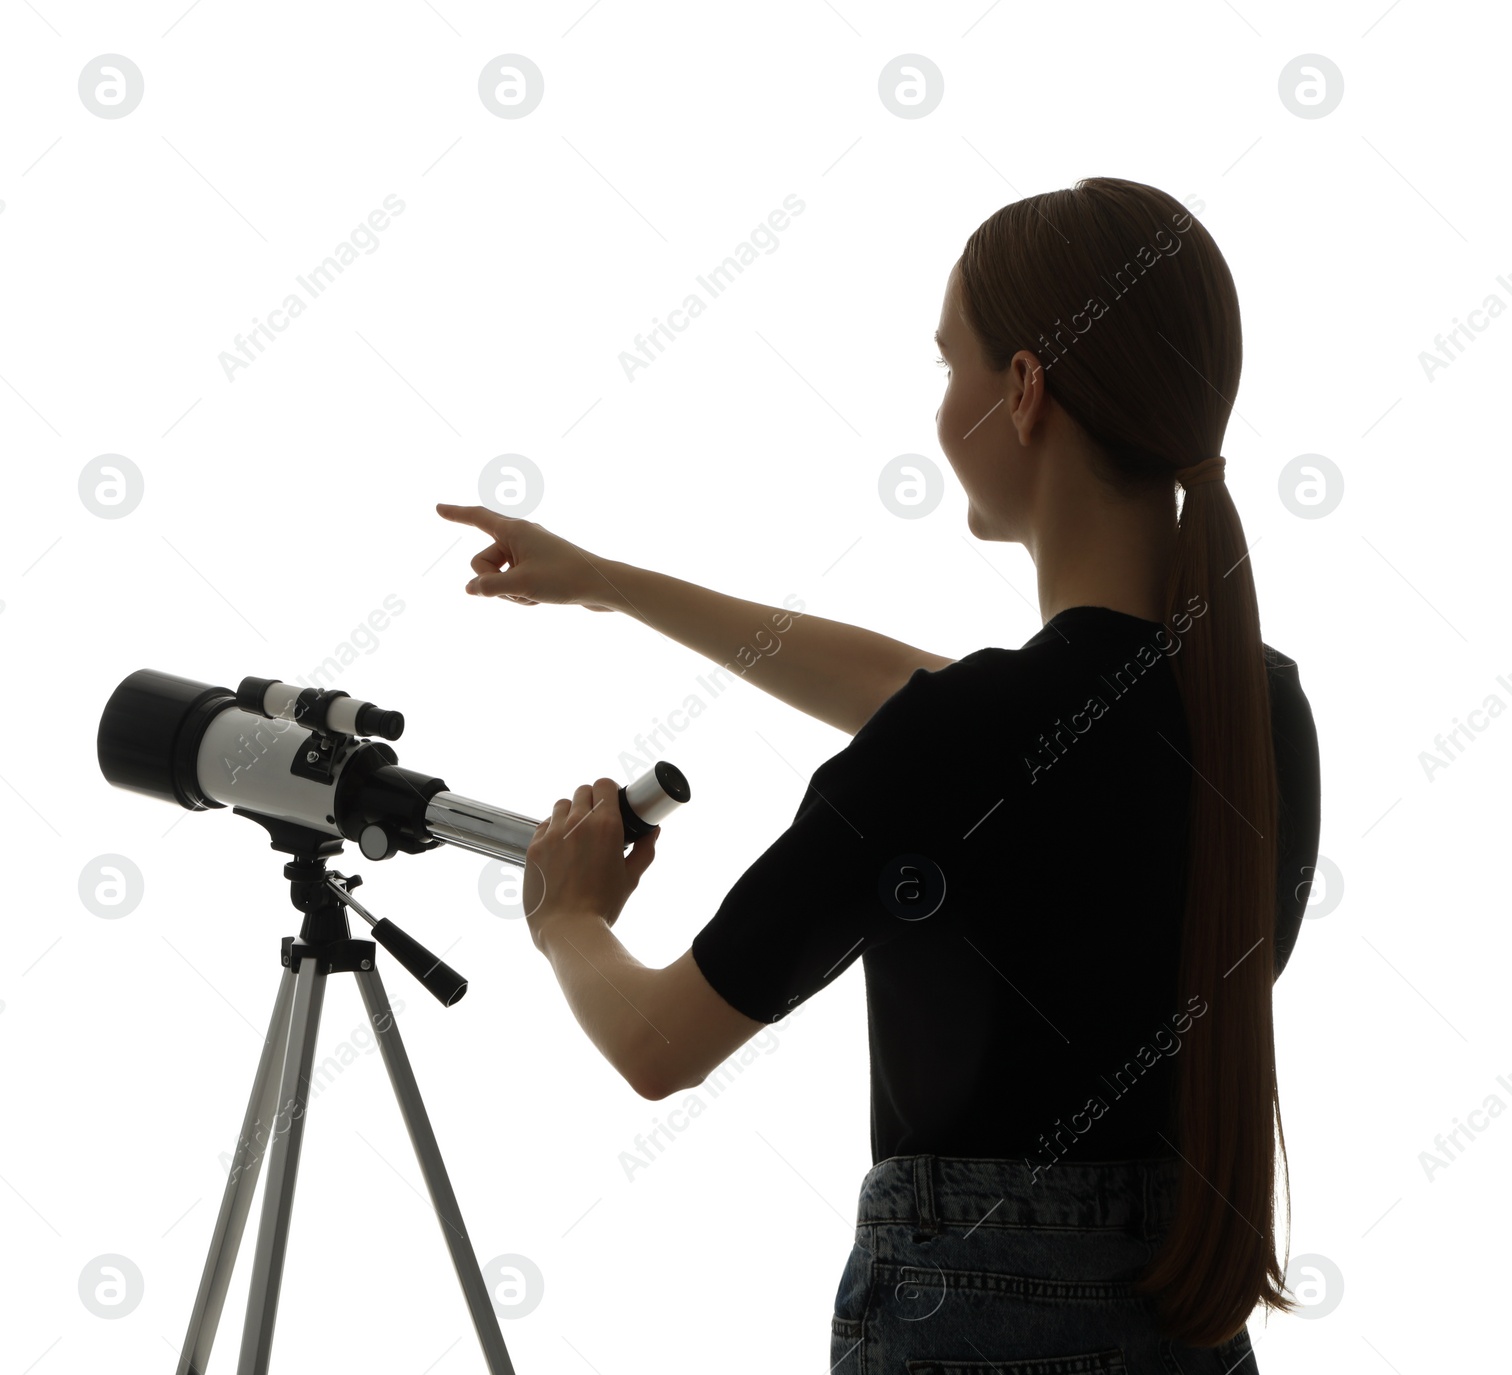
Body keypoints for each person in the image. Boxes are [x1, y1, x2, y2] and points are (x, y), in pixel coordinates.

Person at [436, 175, 1319, 1374]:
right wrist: (614, 582)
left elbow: (656, 1044)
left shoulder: (964, 741)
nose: (940, 401)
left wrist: (567, 917)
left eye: (949, 362)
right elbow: (947, 703)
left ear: (1023, 391)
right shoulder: (1259, 707)